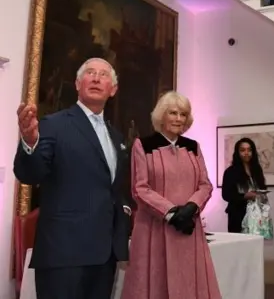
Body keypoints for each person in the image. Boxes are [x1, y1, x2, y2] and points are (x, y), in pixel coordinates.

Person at [14, 58, 133, 299]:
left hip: (104, 255)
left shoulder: (116, 135)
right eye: (90, 73)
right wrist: (29, 143)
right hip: (63, 254)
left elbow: (112, 188)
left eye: (104, 75)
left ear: (113, 89)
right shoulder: (54, 124)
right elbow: (30, 174)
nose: (97, 78)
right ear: (78, 84)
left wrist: (125, 209)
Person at [121, 91, 221, 299]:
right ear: (161, 116)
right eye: (173, 113)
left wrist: (191, 208)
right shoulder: (144, 145)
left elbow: (205, 184)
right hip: (154, 228)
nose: (178, 119)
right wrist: (171, 213)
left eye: (183, 114)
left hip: (188, 228)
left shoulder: (193, 147)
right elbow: (140, 188)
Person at [221, 137, 267, 233]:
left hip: (257, 213)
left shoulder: (257, 170)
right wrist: (244, 196)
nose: (246, 153)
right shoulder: (231, 172)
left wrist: (261, 194)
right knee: (239, 245)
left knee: (256, 244)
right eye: (242, 150)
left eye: (249, 150)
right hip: (238, 215)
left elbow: (262, 187)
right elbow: (226, 195)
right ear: (237, 152)